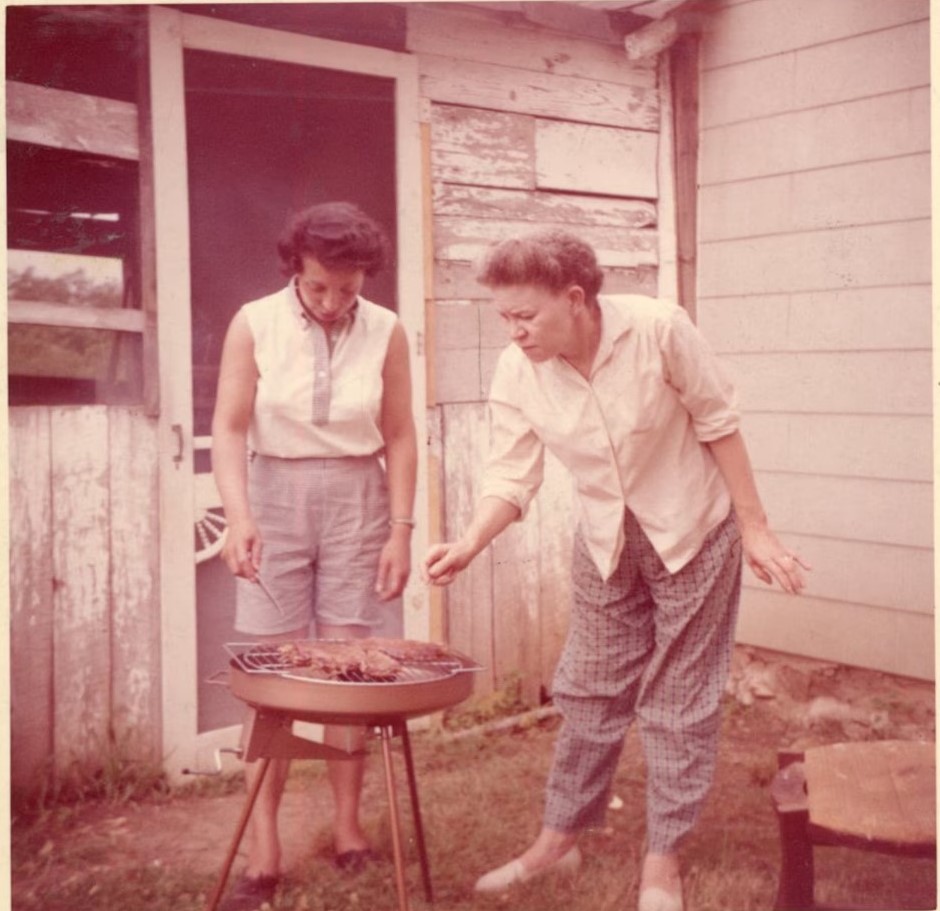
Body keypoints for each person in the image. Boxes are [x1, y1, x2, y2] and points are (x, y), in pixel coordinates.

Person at [423, 230, 809, 911]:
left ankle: (662, 861)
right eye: (503, 316)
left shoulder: (659, 330)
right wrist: (471, 542)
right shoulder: (518, 370)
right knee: (589, 690)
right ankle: (558, 840)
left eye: (525, 316)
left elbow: (719, 422)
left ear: (575, 299)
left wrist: (755, 526)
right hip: (605, 539)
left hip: (691, 527)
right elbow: (512, 472)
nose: (513, 332)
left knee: (677, 700)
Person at [212, 201, 417, 911]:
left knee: (348, 669)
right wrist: (239, 517)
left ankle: (349, 826)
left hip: (359, 496)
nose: (333, 303)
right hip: (274, 494)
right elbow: (231, 427)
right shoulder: (255, 321)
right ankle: (263, 842)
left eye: (348, 289)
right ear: (295, 267)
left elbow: (400, 434)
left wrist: (401, 528)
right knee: (270, 675)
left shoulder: (388, 329)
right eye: (320, 287)